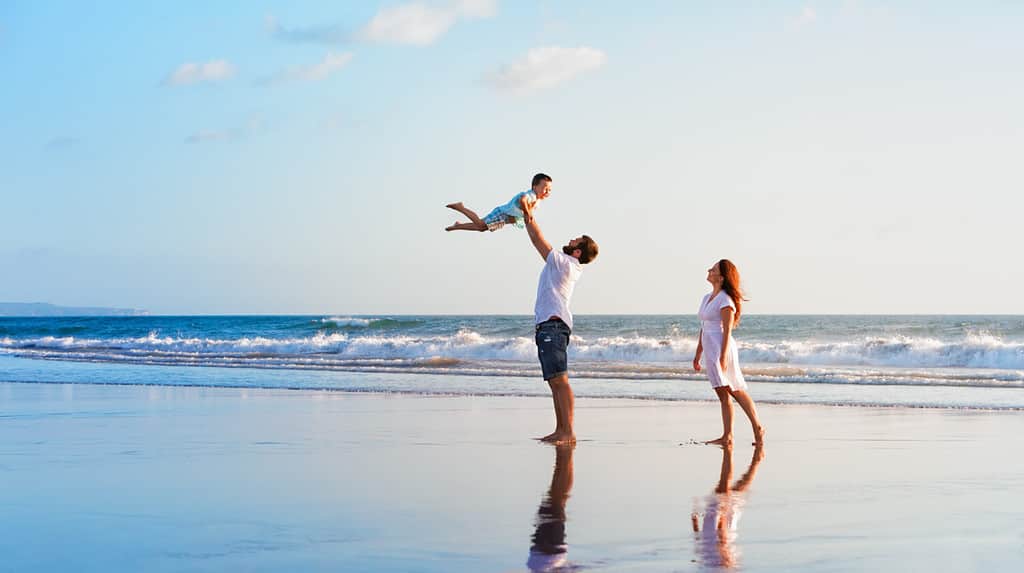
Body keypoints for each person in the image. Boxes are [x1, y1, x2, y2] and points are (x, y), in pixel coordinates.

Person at [525, 214, 598, 444]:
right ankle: (561, 430)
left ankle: (567, 431)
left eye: (576, 241)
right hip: (550, 325)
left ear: (578, 252)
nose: (571, 240)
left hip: (554, 326)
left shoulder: (564, 263)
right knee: (554, 381)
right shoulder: (565, 264)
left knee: (560, 380)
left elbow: (538, 240)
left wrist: (528, 214)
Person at [692, 260, 766, 446]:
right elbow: (704, 326)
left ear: (721, 277)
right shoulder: (706, 297)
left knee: (734, 389)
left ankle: (756, 428)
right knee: (722, 392)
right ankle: (728, 436)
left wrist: (723, 355)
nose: (709, 270)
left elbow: (727, 329)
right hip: (710, 347)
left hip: (721, 346)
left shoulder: (725, 300)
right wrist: (698, 353)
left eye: (714, 269)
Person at [691, 443, 765, 569]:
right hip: (719, 525)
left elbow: (701, 545)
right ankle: (751, 460)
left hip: (717, 525)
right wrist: (722, 513)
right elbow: (719, 541)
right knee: (731, 489)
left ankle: (753, 461)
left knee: (732, 489)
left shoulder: (709, 564)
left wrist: (696, 524)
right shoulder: (716, 563)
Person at [445, 173, 552, 232]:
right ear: (535, 187)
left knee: (481, 228)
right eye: (545, 188)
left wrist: (524, 217)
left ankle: (457, 226)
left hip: (505, 218)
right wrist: (528, 213)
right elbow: (522, 200)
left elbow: (523, 213)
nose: (547, 191)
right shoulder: (531, 195)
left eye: (549, 189)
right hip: (502, 213)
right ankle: (461, 207)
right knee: (481, 224)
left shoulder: (537, 201)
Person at [527, 445, 575, 572]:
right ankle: (565, 450)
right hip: (539, 557)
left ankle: (565, 446)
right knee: (556, 501)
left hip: (549, 557)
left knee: (556, 501)